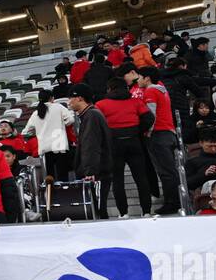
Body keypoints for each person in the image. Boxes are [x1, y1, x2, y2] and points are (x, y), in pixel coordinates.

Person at [95, 79, 153, 217]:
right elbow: (149, 118)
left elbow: (97, 124)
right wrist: (138, 131)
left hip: (113, 144)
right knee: (141, 178)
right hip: (134, 141)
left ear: (109, 89)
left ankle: (123, 213)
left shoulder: (100, 104)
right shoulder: (135, 102)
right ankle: (146, 211)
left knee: (117, 180)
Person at [136, 66, 183, 214]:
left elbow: (151, 115)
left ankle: (172, 203)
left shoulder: (150, 91)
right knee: (169, 170)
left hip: (158, 134)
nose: (138, 80)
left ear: (147, 78)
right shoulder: (162, 89)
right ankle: (175, 200)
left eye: (139, 77)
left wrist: (147, 132)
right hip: (168, 132)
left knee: (165, 172)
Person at [68, 85, 114, 218]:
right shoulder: (90, 114)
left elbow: (91, 145)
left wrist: (90, 171)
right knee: (98, 209)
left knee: (97, 211)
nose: (69, 101)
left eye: (71, 98)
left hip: (96, 172)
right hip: (98, 169)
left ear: (80, 98)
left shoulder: (91, 115)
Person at [22, 89, 76, 182]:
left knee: (49, 178)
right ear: (52, 98)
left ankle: (51, 195)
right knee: (62, 176)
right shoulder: (58, 107)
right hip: (59, 146)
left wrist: (38, 131)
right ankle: (64, 195)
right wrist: (62, 124)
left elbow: (26, 132)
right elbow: (70, 120)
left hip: (44, 148)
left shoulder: (36, 113)